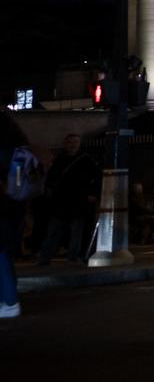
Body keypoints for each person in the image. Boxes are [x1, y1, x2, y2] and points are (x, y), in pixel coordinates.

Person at [36, 134, 100, 265]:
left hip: (74, 201)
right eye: (70, 142)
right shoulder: (82, 159)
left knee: (68, 232)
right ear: (66, 144)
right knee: (62, 231)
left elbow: (95, 178)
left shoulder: (82, 160)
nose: (73, 145)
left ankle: (55, 257)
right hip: (66, 201)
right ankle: (54, 257)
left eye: (75, 142)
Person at [0, 111, 28, 317]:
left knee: (0, 253)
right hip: (14, 203)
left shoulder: (3, 151)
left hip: (3, 203)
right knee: (5, 252)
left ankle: (9, 301)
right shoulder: (17, 145)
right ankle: (8, 298)